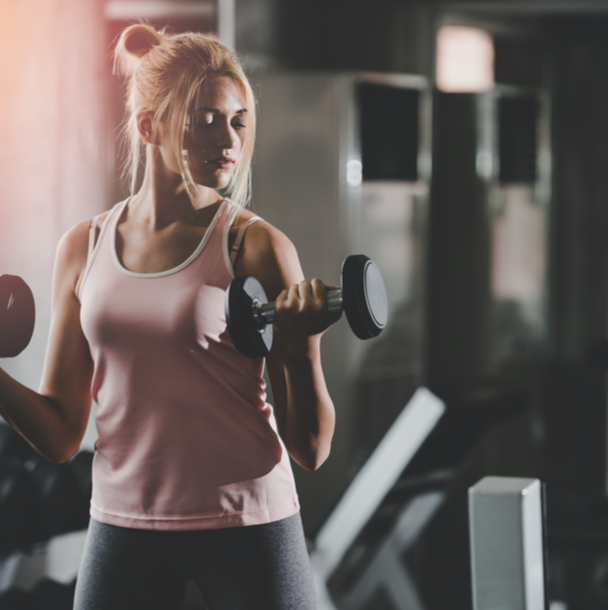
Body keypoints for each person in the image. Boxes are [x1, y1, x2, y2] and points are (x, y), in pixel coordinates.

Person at [0, 24, 340, 609]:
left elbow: (310, 447)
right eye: (205, 119)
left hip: (247, 523)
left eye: (237, 121)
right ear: (148, 125)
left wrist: (300, 345)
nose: (228, 139)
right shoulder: (85, 246)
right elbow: (60, 434)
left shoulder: (254, 247)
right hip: (124, 522)